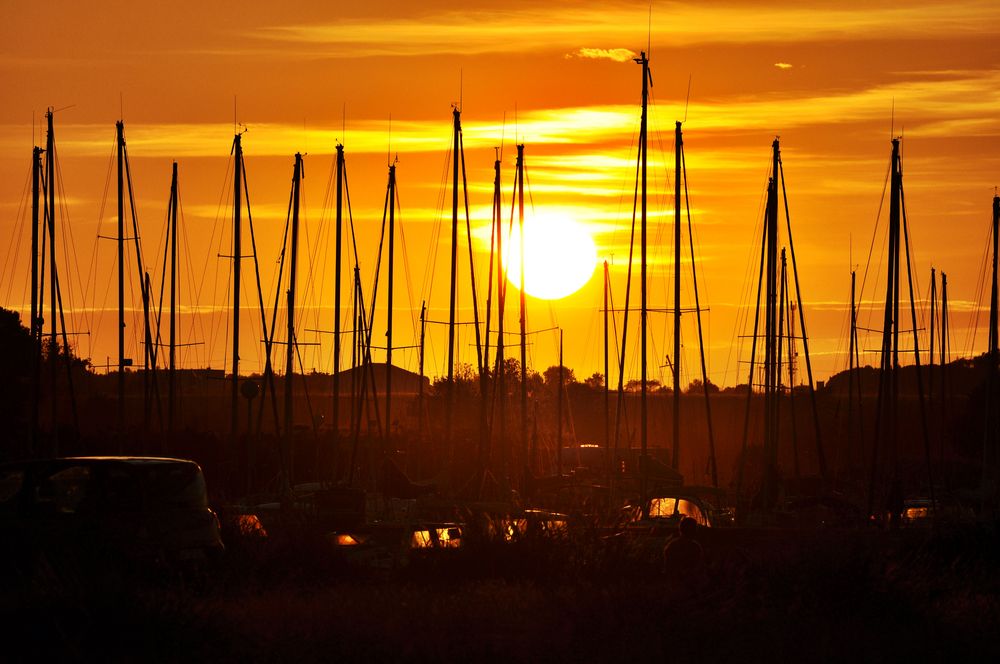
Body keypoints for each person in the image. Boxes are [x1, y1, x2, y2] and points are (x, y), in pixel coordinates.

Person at [662, 516, 708, 595]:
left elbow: (668, 568)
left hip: (674, 587)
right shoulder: (695, 547)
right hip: (690, 587)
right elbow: (697, 568)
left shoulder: (671, 546)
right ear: (693, 530)